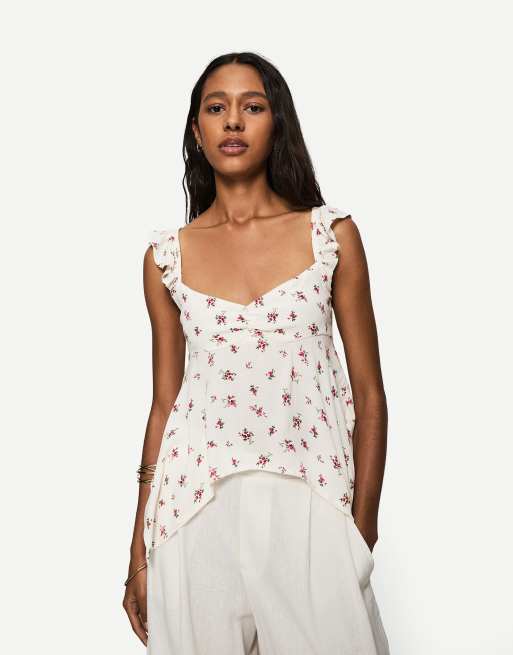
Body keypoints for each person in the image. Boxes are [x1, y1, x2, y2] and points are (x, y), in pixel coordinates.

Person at [123, 51, 390, 655]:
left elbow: (369, 393)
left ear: (278, 124)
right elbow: (164, 406)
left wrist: (362, 530)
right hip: (192, 508)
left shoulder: (330, 237)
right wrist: (138, 547)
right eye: (216, 108)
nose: (233, 121)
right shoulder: (166, 258)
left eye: (253, 106)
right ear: (197, 132)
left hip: (311, 499)